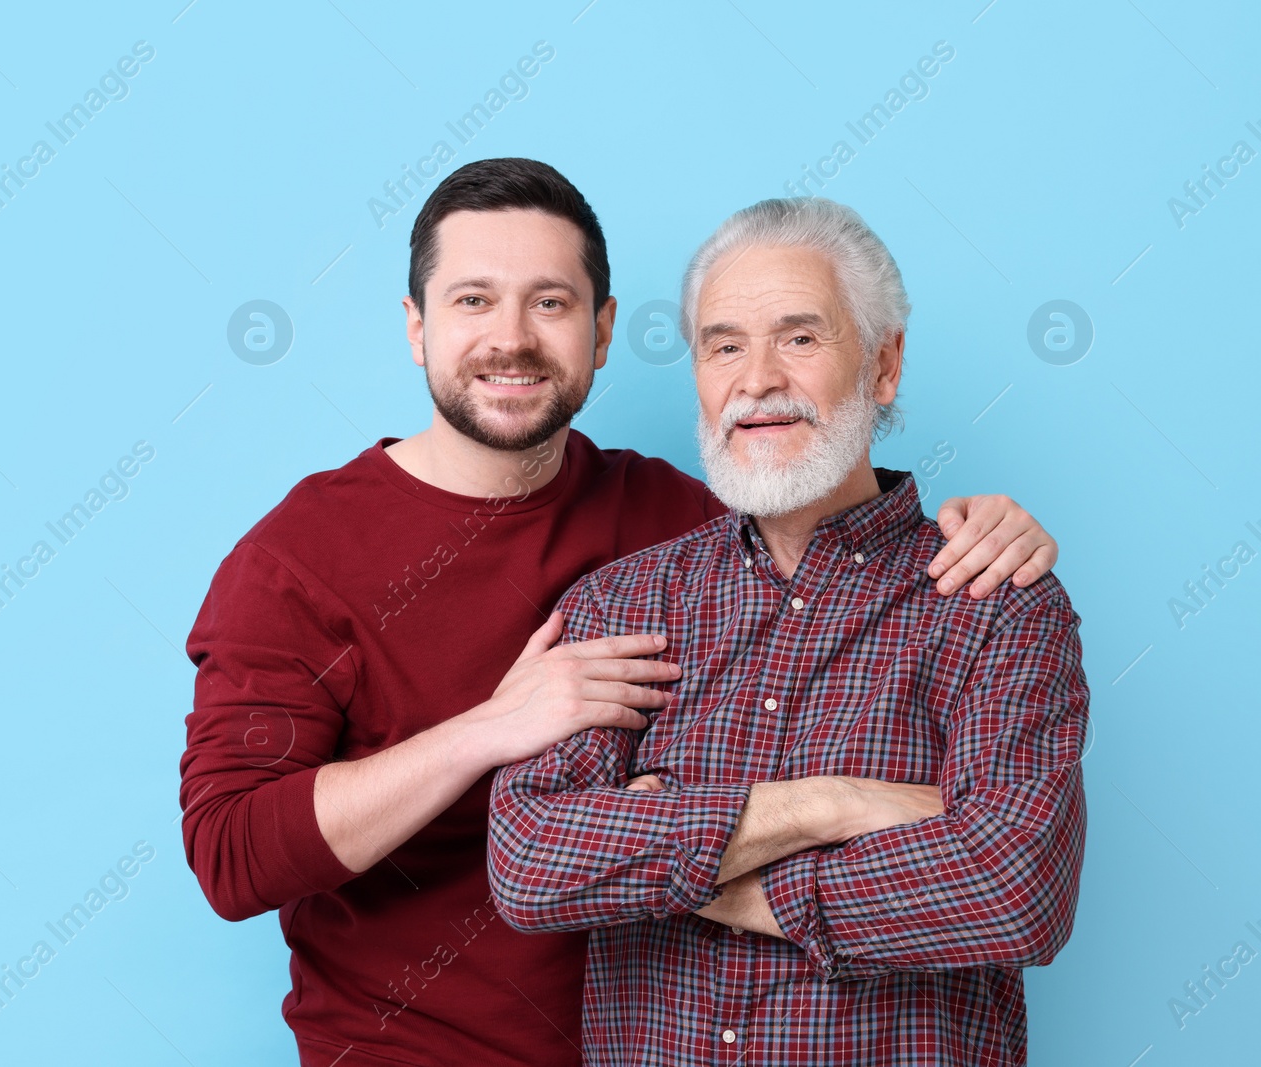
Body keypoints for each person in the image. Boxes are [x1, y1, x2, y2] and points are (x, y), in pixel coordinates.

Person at [180, 159, 1061, 1067]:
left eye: (551, 303)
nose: (510, 339)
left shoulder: (675, 519)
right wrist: (490, 729)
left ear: (602, 332)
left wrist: (991, 527)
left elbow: (821, 513)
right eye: (473, 301)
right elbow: (234, 852)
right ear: (416, 327)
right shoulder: (301, 556)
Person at [487, 195, 1088, 1066]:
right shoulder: (619, 604)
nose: (757, 378)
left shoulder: (998, 601)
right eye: (724, 344)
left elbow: (1012, 887)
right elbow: (533, 864)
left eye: (800, 338)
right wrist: (830, 805)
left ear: (884, 366)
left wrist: (681, 865)